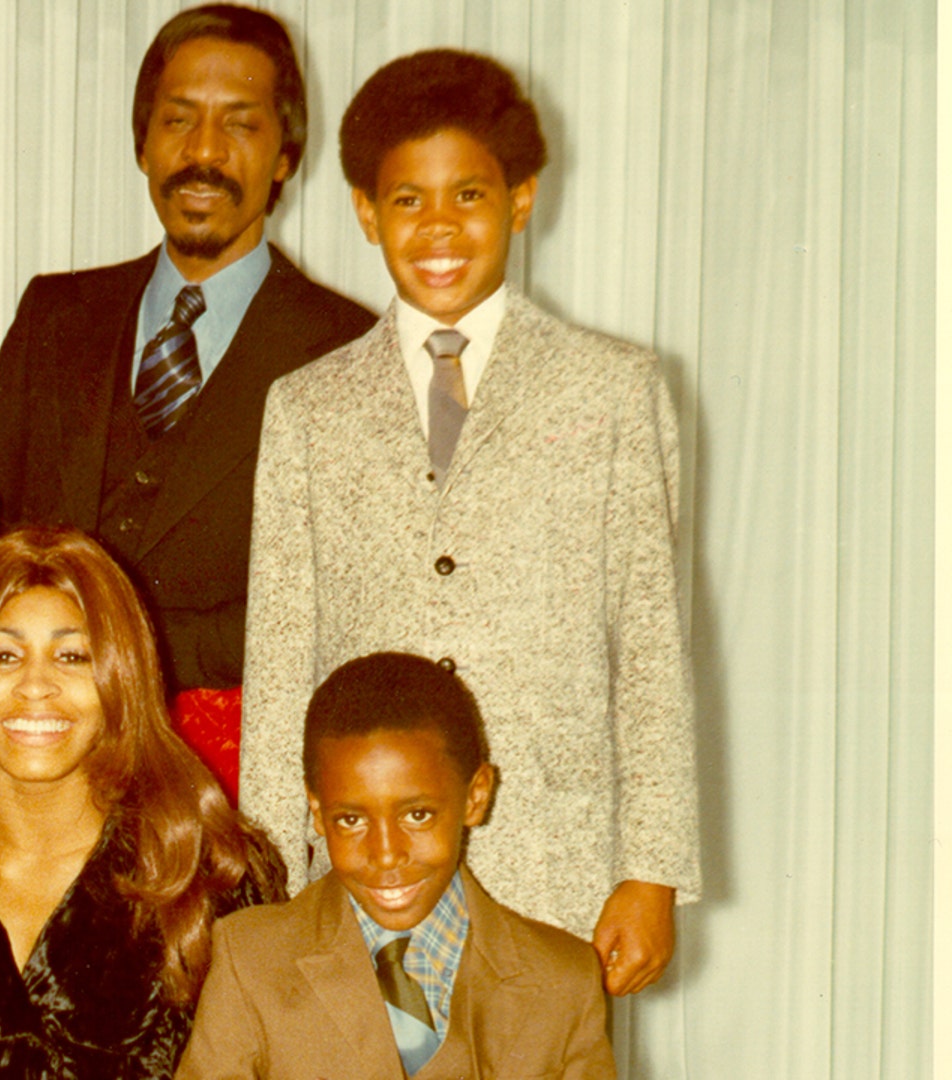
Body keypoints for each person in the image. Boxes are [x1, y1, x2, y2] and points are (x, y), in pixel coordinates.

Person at [241, 48, 698, 995]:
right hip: (365, 871)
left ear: (522, 199)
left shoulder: (614, 389)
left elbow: (650, 641)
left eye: (470, 197)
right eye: (408, 201)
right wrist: (273, 875)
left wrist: (651, 869)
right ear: (366, 212)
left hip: (556, 867)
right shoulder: (307, 407)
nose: (439, 228)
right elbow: (281, 655)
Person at [0, 5, 375, 792]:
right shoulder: (53, 315)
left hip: (232, 783)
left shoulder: (348, 348)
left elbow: (337, 604)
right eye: (178, 121)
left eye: (240, 126)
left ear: (286, 154)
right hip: (40, 766)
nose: (204, 154)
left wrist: (115, 652)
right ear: (142, 142)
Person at [0, 527, 285, 1079]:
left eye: (73, 656)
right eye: (2, 656)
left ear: (120, 680)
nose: (36, 685)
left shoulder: (215, 874)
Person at [177, 652, 613, 1079]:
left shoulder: (563, 979)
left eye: (417, 815)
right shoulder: (252, 958)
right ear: (316, 811)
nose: (385, 855)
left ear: (476, 796)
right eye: (351, 820)